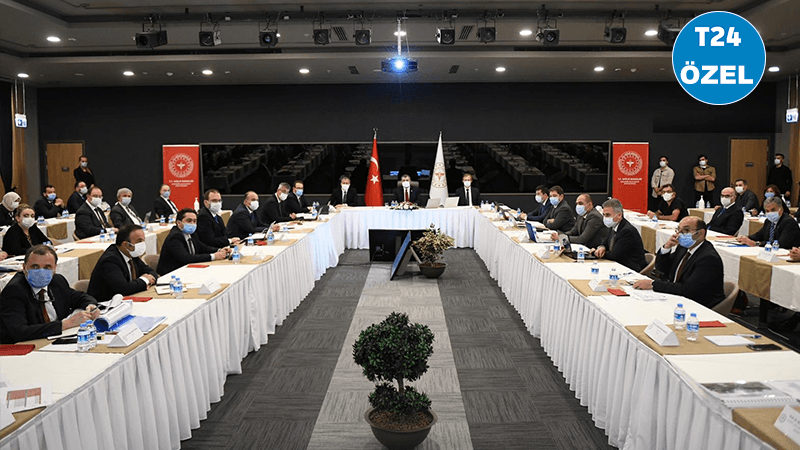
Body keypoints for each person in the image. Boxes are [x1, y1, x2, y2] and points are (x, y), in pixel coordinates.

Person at [0, 245, 100, 344]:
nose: (41, 271)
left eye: (47, 267)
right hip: (23, 347)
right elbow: (20, 332)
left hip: (55, 340)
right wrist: (66, 324)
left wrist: (90, 306)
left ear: (55, 268)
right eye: (35, 267)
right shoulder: (14, 291)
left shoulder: (57, 281)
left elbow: (79, 297)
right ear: (24, 267)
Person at [633, 216, 725, 308]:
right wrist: (667, 248)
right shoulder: (683, 248)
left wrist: (652, 284)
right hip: (679, 297)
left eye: (686, 230)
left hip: (699, 305)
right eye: (678, 230)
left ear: (700, 233)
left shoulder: (708, 258)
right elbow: (662, 269)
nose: (680, 234)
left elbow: (687, 290)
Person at [88, 224, 158, 301]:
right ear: (125, 245)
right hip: (106, 305)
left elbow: (151, 272)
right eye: (139, 241)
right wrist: (145, 280)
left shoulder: (131, 254)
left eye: (143, 240)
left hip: (126, 300)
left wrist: (148, 278)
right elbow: (123, 289)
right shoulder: (110, 260)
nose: (142, 244)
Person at [157, 209, 230, 275]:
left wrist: (220, 250)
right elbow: (186, 258)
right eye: (189, 221)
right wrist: (213, 256)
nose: (192, 223)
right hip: (172, 274)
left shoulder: (192, 233)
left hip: (188, 270)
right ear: (179, 223)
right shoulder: (175, 237)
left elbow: (202, 247)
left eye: (194, 221)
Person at [593, 198, 647, 272]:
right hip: (618, 264)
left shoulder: (626, 231)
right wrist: (601, 247)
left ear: (619, 215)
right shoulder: (613, 226)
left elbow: (614, 256)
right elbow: (605, 242)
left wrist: (596, 252)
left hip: (631, 268)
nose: (605, 218)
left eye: (608, 215)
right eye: (604, 215)